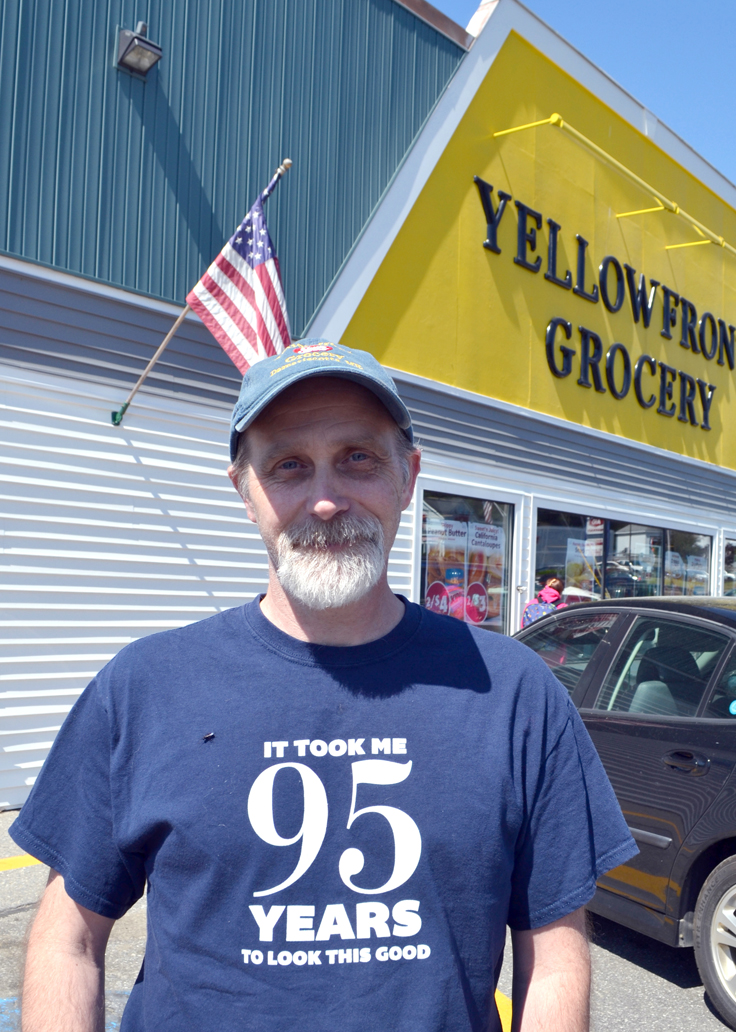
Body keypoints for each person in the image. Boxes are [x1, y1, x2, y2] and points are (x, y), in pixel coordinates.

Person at [11, 340, 636, 1032]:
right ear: (244, 493)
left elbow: (554, 959)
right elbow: (68, 937)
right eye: (288, 466)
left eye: (358, 458)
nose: (327, 499)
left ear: (409, 475)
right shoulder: (143, 687)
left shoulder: (516, 692)